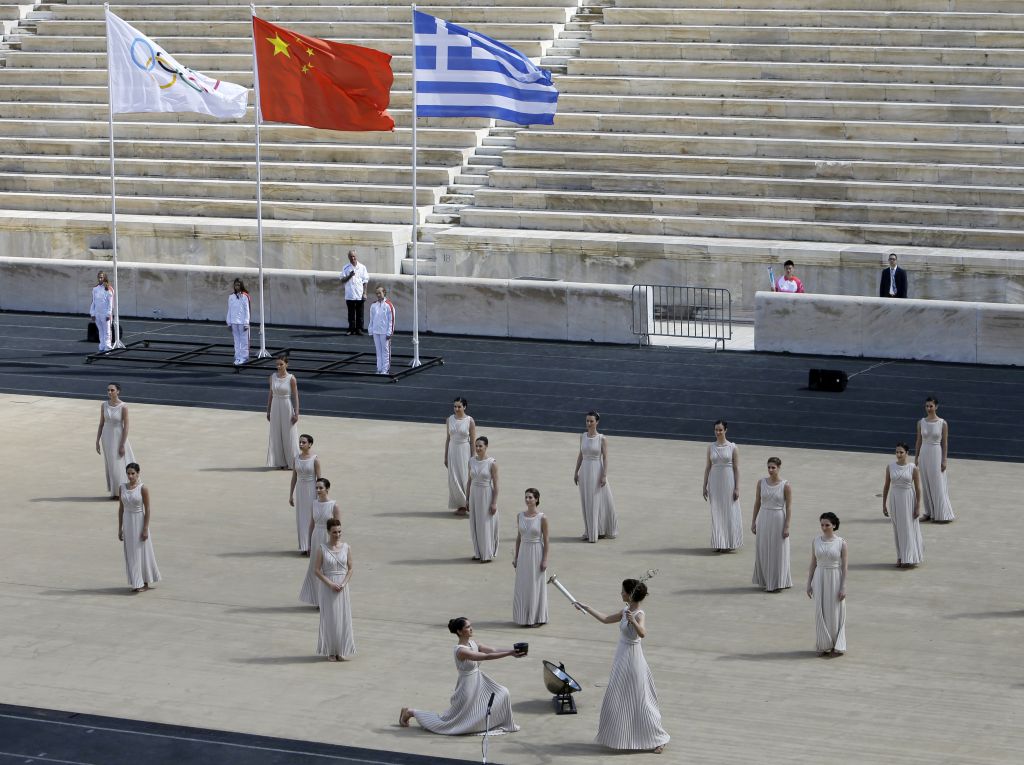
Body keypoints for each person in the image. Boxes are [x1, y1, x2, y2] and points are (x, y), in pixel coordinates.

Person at [575, 580, 670, 754]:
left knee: (642, 701)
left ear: (630, 594)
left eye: (623, 592)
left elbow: (643, 633)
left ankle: (659, 738)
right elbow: (605, 619)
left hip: (634, 661)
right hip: (622, 657)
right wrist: (587, 608)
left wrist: (633, 621)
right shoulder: (625, 610)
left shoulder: (639, 613)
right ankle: (621, 736)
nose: (621, 594)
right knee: (617, 699)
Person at [398, 617, 524, 733]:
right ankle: (411, 712)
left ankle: (498, 722)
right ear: (459, 631)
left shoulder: (473, 644)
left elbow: (493, 650)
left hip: (479, 681)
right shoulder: (461, 650)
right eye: (467, 627)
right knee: (447, 721)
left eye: (470, 626)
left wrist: (512, 651)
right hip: (466, 687)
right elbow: (486, 656)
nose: (471, 629)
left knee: (503, 692)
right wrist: (510, 654)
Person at [806, 512, 847, 656]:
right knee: (821, 610)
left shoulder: (841, 543)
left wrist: (843, 586)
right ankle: (824, 645)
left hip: (835, 576)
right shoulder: (815, 541)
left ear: (834, 525)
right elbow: (813, 563)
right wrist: (809, 583)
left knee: (835, 611)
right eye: (822, 525)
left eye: (827, 525)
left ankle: (837, 645)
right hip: (820, 576)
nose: (824, 527)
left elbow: (844, 567)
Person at [573, 411, 618, 543]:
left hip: (596, 470)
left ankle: (597, 532)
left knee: (596, 501)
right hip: (585, 471)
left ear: (597, 422)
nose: (589, 423)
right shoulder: (583, 436)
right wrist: (576, 472)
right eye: (587, 421)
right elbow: (580, 455)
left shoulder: (602, 438)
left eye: (591, 421)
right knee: (587, 501)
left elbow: (605, 457)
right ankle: (590, 531)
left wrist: (604, 475)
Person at [314, 518, 355, 661]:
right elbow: (317, 570)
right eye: (334, 532)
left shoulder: (346, 547)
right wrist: (330, 584)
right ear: (328, 532)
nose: (337, 535)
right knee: (330, 618)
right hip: (328, 587)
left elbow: (350, 569)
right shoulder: (322, 548)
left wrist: (343, 584)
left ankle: (341, 650)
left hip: (342, 588)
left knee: (342, 618)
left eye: (339, 531)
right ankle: (331, 651)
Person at [117, 462, 161, 593]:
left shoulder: (143, 488)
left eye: (133, 473)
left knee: (141, 552)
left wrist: (145, 528)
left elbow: (147, 509)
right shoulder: (122, 488)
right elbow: (121, 509)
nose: (130, 476)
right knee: (131, 553)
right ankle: (137, 582)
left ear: (138, 474)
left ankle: (144, 582)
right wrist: (120, 528)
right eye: (128, 473)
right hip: (127, 520)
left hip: (139, 520)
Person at [750, 456, 792, 592]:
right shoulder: (761, 483)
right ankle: (767, 580)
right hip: (764, 517)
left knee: (778, 550)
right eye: (769, 467)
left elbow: (789, 507)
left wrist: (787, 526)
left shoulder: (785, 485)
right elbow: (757, 503)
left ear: (779, 468)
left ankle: (778, 581)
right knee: (764, 548)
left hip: (778, 518)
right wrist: (753, 521)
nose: (770, 470)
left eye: (773, 467)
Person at [702, 420, 743, 552]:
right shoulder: (711, 447)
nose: (718, 432)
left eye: (720, 430)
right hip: (714, 482)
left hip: (728, 483)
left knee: (729, 512)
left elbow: (736, 468)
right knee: (717, 512)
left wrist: (737, 488)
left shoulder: (733, 447)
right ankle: (719, 542)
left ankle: (729, 543)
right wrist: (704, 485)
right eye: (716, 430)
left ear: (725, 430)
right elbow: (708, 467)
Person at [300, 478, 341, 606]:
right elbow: (311, 523)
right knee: (316, 567)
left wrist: (337, 544)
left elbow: (337, 527)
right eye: (316, 488)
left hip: (328, 537)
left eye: (321, 488)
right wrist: (309, 543)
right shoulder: (314, 503)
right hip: (316, 535)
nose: (318, 490)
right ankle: (318, 600)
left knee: (327, 568)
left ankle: (327, 598)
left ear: (327, 489)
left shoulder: (334, 505)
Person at [882, 442, 924, 568]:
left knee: (908, 528)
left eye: (901, 452)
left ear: (907, 453)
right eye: (897, 452)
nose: (898, 454)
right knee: (898, 528)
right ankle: (900, 556)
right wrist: (884, 504)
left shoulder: (913, 468)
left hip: (908, 499)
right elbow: (886, 486)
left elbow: (918, 488)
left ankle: (909, 557)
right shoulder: (890, 466)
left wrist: (917, 506)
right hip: (895, 499)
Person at [512, 488, 549, 627]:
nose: (528, 500)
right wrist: (516, 557)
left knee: (535, 584)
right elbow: (519, 538)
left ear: (537, 499)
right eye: (526, 497)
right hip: (523, 553)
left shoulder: (542, 518)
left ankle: (537, 617)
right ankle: (523, 617)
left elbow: (546, 540)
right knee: (523, 584)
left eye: (530, 497)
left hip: (536, 552)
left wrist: (545, 559)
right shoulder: (520, 516)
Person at [915, 396, 954, 523]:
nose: (929, 408)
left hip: (936, 453)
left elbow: (945, 443)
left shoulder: (942, 423)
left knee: (938, 483)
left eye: (931, 406)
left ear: (936, 407)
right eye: (927, 406)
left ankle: (941, 513)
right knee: (926, 484)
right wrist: (916, 457)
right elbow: (918, 441)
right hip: (924, 454)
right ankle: (928, 512)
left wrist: (944, 460)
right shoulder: (921, 422)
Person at [96, 382, 135, 499]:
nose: (109, 392)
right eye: (108, 390)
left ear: (118, 391)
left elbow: (126, 426)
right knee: (111, 465)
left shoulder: (123, 406)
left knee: (119, 464)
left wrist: (122, 444)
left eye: (112, 390)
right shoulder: (104, 405)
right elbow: (101, 424)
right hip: (107, 437)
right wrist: (97, 440)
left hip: (118, 436)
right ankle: (115, 492)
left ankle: (121, 492)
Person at [466, 436, 499, 562]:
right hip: (474, 493)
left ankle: (487, 554)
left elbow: (496, 485)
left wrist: (494, 502)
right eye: (476, 446)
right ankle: (478, 552)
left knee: (485, 523)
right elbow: (469, 481)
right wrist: (467, 498)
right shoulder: (471, 461)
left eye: (481, 446)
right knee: (475, 522)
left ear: (486, 447)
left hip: (486, 493)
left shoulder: (492, 463)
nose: (478, 448)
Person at [289, 434, 321, 556]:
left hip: (312, 490)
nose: (301, 444)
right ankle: (303, 545)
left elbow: (319, 479)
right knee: (301, 518)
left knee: (311, 518)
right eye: (300, 442)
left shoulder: (315, 459)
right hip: (300, 491)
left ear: (310, 444)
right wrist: (291, 495)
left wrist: (320, 495)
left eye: (304, 442)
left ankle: (311, 546)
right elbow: (294, 477)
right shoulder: (296, 458)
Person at [266, 354, 299, 470]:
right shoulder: (272, 377)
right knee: (276, 433)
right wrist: (268, 410)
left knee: (288, 434)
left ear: (286, 364)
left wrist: (296, 413)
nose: (279, 366)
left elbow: (295, 397)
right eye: (277, 364)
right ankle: (280, 462)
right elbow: (270, 394)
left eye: (281, 364)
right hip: (275, 406)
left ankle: (293, 462)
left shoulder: (291, 378)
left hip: (286, 406)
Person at [444, 397, 476, 515]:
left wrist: (473, 458)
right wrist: (446, 456)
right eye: (455, 406)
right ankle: (461, 506)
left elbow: (473, 441)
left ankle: (469, 504)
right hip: (453, 450)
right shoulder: (449, 419)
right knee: (454, 479)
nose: (456, 409)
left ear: (464, 407)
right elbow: (448, 438)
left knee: (464, 477)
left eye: (459, 406)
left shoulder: (470, 421)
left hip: (464, 451)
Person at [368, 286, 395, 375]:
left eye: (380, 293)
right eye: (377, 293)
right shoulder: (373, 305)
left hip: (384, 332)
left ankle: (385, 369)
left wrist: (390, 332)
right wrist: (370, 330)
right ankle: (379, 368)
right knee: (378, 351)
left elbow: (391, 320)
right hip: (376, 331)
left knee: (385, 351)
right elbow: (371, 319)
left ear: (384, 293)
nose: (378, 295)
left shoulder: (389, 305)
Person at [340, 250, 369, 335]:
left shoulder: (362, 267)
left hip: (360, 294)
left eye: (354, 256)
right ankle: (351, 329)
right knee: (351, 314)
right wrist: (350, 275)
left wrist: (365, 293)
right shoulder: (345, 268)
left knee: (360, 314)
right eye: (351, 256)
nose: (353, 258)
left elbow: (365, 281)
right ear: (348, 257)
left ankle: (359, 329)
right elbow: (342, 280)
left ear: (356, 256)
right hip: (350, 295)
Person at [226, 278, 251, 365]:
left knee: (244, 340)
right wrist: (228, 322)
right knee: (236, 340)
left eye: (238, 285)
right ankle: (237, 357)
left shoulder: (245, 296)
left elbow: (247, 310)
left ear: (241, 285)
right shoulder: (231, 296)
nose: (237, 287)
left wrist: (246, 322)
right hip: (234, 322)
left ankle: (244, 357)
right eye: (235, 285)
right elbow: (229, 309)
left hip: (242, 322)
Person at [89, 270, 115, 352]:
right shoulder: (95, 289)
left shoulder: (109, 289)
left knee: (107, 331)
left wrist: (108, 314)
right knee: (100, 331)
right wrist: (92, 313)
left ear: (104, 278)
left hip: (105, 314)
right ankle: (102, 346)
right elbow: (93, 302)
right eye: (99, 277)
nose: (100, 279)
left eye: (101, 277)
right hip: (97, 314)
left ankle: (107, 347)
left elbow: (110, 303)